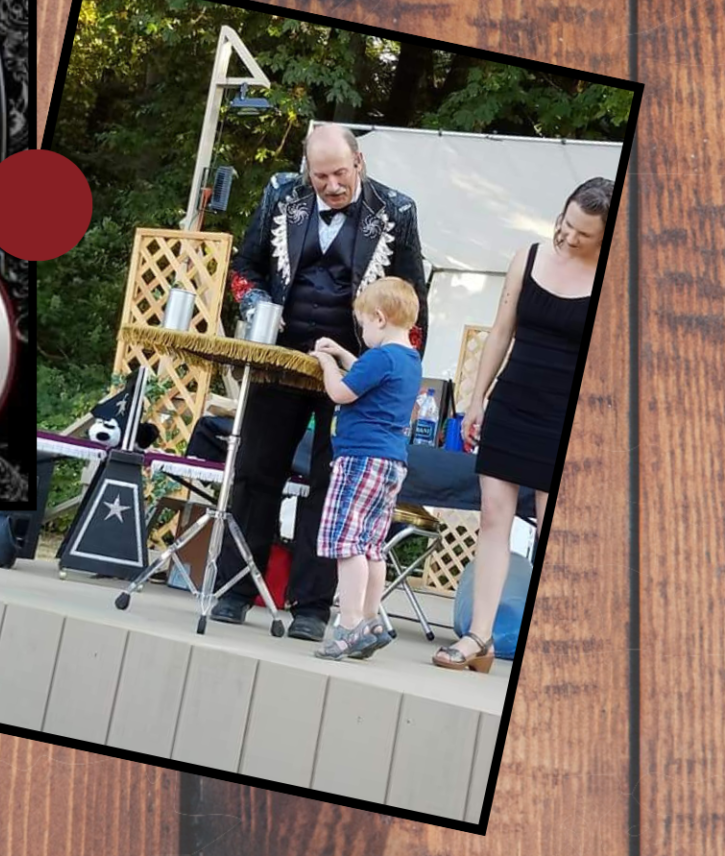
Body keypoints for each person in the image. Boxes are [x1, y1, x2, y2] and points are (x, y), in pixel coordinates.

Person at [212, 123, 428, 641]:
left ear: (359, 162)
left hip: (355, 372)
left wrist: (397, 373)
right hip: (282, 360)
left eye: (340, 173)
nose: (331, 185)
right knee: (256, 471)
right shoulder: (280, 194)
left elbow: (413, 301)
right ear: (306, 170)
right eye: (320, 175)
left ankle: (310, 607)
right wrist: (256, 303)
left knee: (331, 486)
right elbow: (245, 267)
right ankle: (234, 591)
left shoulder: (396, 210)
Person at [436, 177, 611, 673]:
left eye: (583, 234)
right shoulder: (527, 257)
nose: (568, 237)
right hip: (512, 402)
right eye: (566, 223)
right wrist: (476, 401)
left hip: (568, 415)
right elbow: (501, 332)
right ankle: (480, 638)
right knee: (494, 517)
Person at [309, 277, 425, 661]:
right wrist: (344, 353)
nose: (362, 332)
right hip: (391, 461)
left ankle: (348, 624)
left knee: (347, 542)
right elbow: (368, 373)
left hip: (360, 458)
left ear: (378, 318)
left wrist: (327, 363)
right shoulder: (408, 360)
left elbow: (341, 392)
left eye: (362, 325)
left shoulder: (380, 358)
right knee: (372, 544)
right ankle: (373, 620)